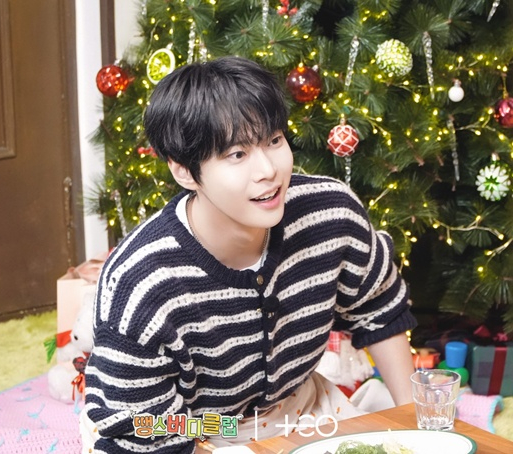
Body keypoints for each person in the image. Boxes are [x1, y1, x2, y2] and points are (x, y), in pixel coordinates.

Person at [81, 56, 417, 453]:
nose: (268, 170)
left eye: (274, 141)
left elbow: (379, 307)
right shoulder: (142, 281)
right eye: (237, 154)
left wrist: (414, 426)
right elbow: (143, 427)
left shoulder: (332, 212)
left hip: (301, 411)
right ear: (184, 171)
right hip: (187, 434)